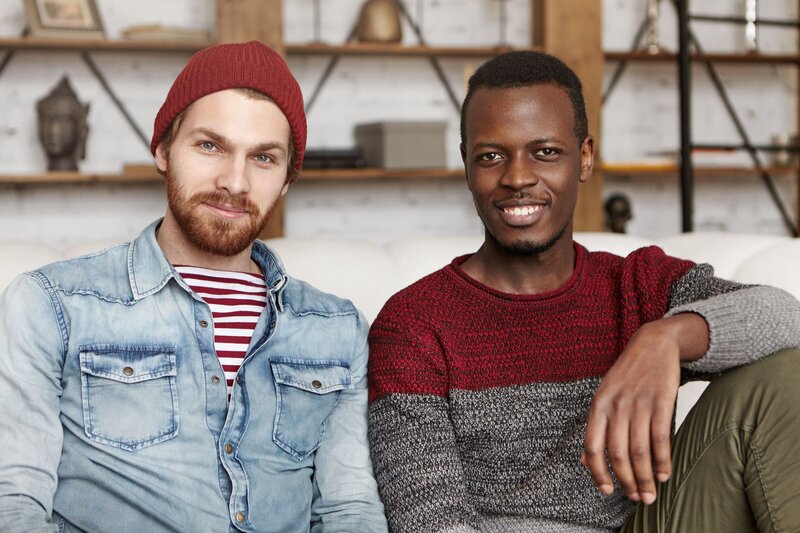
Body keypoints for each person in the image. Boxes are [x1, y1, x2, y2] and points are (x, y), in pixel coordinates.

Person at [367, 50, 800, 533]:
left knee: (783, 374)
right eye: (491, 156)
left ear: (585, 158)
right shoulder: (412, 323)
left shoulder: (637, 284)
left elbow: (787, 318)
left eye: (545, 152)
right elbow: (430, 521)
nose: (517, 178)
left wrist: (666, 338)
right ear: (467, 166)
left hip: (657, 523)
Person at [0, 41, 387, 533]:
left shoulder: (338, 329)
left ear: (287, 179)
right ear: (162, 149)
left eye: (264, 158)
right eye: (210, 146)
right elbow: (13, 504)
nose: (235, 181)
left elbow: (349, 510)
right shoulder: (52, 305)